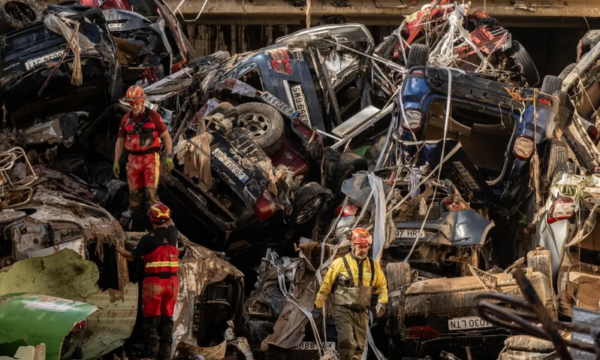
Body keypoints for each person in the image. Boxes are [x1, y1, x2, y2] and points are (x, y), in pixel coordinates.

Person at [115, 202, 179, 360]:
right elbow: (170, 222)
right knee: (167, 319)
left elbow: (131, 256)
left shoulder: (147, 239)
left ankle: (151, 353)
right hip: (172, 283)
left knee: (151, 320)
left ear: (151, 219)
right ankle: (165, 354)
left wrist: (116, 248)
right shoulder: (173, 233)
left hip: (154, 283)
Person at [313, 228, 388, 360]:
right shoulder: (339, 264)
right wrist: (318, 306)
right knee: (347, 341)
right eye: (360, 246)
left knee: (359, 347)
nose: (363, 250)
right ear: (353, 244)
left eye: (366, 246)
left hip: (361, 312)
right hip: (342, 309)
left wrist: (382, 302)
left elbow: (382, 286)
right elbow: (326, 285)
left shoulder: (374, 266)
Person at [113, 85, 175, 230]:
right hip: (133, 160)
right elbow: (120, 140)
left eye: (136, 103)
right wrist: (116, 160)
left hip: (150, 159)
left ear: (142, 101)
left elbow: (166, 136)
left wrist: (169, 156)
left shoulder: (153, 117)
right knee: (134, 199)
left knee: (151, 197)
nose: (134, 106)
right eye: (131, 103)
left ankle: (159, 229)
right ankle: (138, 230)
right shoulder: (126, 120)